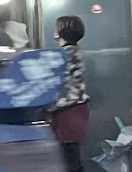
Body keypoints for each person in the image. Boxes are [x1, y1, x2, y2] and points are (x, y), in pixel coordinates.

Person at [47, 15, 90, 172]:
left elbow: (56, 84)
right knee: (70, 156)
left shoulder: (65, 54)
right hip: (76, 109)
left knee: (69, 159)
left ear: (61, 31)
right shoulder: (75, 51)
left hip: (68, 111)